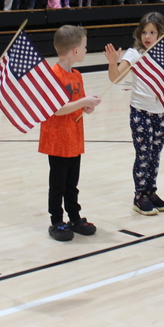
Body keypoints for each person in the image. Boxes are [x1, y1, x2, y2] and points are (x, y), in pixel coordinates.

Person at [104, 12, 164, 215]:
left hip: (161, 112)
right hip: (140, 112)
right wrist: (112, 62)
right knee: (143, 153)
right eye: (144, 32)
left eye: (153, 32)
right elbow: (116, 78)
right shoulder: (134, 54)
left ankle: (151, 191)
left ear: (162, 33)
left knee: (155, 155)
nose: (148, 36)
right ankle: (139, 195)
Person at [42, 26, 102, 241]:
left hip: (74, 137)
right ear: (75, 51)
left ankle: (74, 216)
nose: (86, 50)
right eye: (85, 47)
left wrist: (87, 106)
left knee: (72, 182)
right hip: (58, 139)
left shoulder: (77, 75)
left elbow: (76, 105)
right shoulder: (53, 75)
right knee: (58, 182)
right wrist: (82, 102)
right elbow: (56, 108)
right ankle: (56, 220)